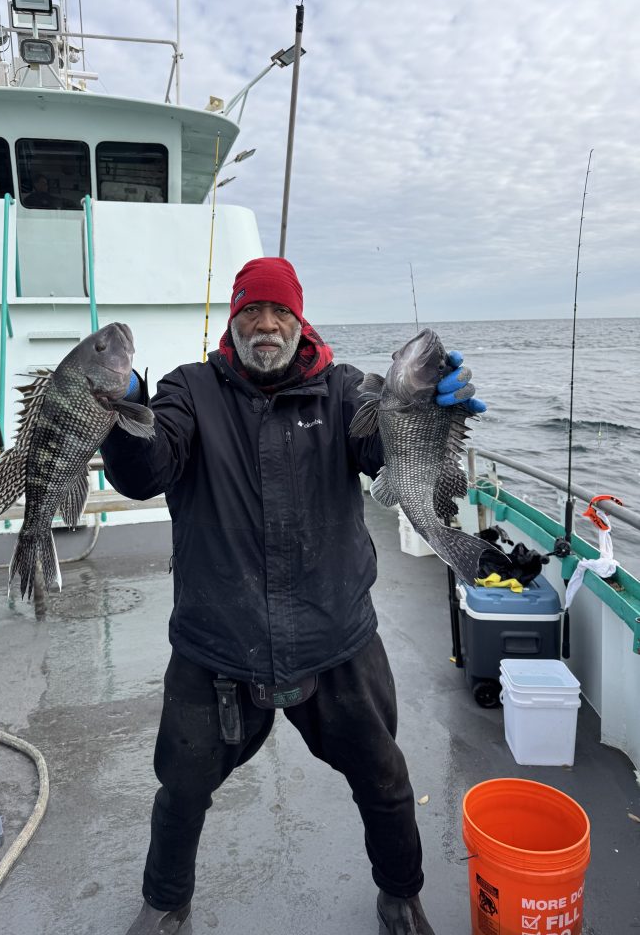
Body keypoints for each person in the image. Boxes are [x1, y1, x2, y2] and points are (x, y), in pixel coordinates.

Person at [101, 257, 485, 935]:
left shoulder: (345, 391)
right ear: (234, 320)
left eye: (280, 312)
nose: (267, 324)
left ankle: (401, 894)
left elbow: (384, 458)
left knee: (386, 782)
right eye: (253, 311)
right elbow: (146, 471)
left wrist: (428, 405)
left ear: (300, 320)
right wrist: (126, 407)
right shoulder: (188, 390)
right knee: (182, 791)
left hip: (335, 637)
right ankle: (165, 904)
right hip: (217, 643)